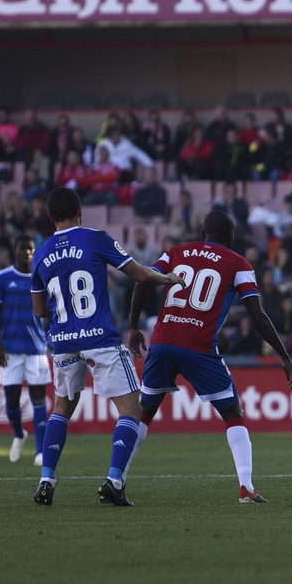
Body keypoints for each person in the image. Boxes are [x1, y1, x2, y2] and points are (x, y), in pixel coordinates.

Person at [127, 210, 292, 504]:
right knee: (233, 414)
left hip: (163, 340)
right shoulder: (238, 263)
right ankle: (246, 487)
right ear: (230, 236)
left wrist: (133, 327)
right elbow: (256, 315)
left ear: (203, 232)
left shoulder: (175, 252)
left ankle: (116, 478)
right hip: (199, 346)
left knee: (144, 411)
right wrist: (284, 355)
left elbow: (143, 280)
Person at [29, 186, 186, 507]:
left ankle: (47, 479)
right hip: (99, 338)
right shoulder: (94, 237)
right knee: (131, 410)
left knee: (61, 408)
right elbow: (139, 273)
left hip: (62, 341)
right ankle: (115, 479)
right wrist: (169, 279)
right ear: (80, 211)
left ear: (49, 217)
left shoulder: (41, 253)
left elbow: (40, 310)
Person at [0, 233, 52, 465]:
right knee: (12, 401)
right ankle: (18, 433)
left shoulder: (42, 277)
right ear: (15, 250)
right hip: (10, 349)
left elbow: (51, 311)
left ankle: (40, 451)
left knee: (38, 397)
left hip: (36, 347)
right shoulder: (2, 278)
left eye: (30, 249)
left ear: (35, 252)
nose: (26, 252)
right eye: (22, 248)